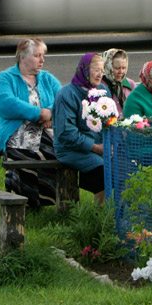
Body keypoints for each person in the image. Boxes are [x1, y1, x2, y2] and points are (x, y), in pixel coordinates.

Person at [0, 38, 63, 208]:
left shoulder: (48, 79)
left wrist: (50, 114)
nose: (42, 60)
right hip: (16, 132)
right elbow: (3, 102)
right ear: (22, 57)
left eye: (43, 56)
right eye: (37, 56)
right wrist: (38, 113)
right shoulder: (6, 78)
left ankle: (47, 202)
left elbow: (62, 100)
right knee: (26, 157)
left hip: (45, 131)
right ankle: (23, 203)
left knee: (58, 153)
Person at [53, 53, 111, 203]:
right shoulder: (67, 94)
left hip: (99, 147)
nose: (100, 75)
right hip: (71, 149)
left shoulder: (104, 91)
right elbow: (66, 133)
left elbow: (110, 120)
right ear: (84, 70)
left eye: (102, 71)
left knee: (124, 166)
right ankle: (100, 217)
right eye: (96, 70)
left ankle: (120, 215)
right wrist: (95, 147)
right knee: (103, 171)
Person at [102, 48, 137, 115]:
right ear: (108, 66)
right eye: (117, 68)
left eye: (123, 68)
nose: (121, 72)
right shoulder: (100, 86)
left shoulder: (130, 84)